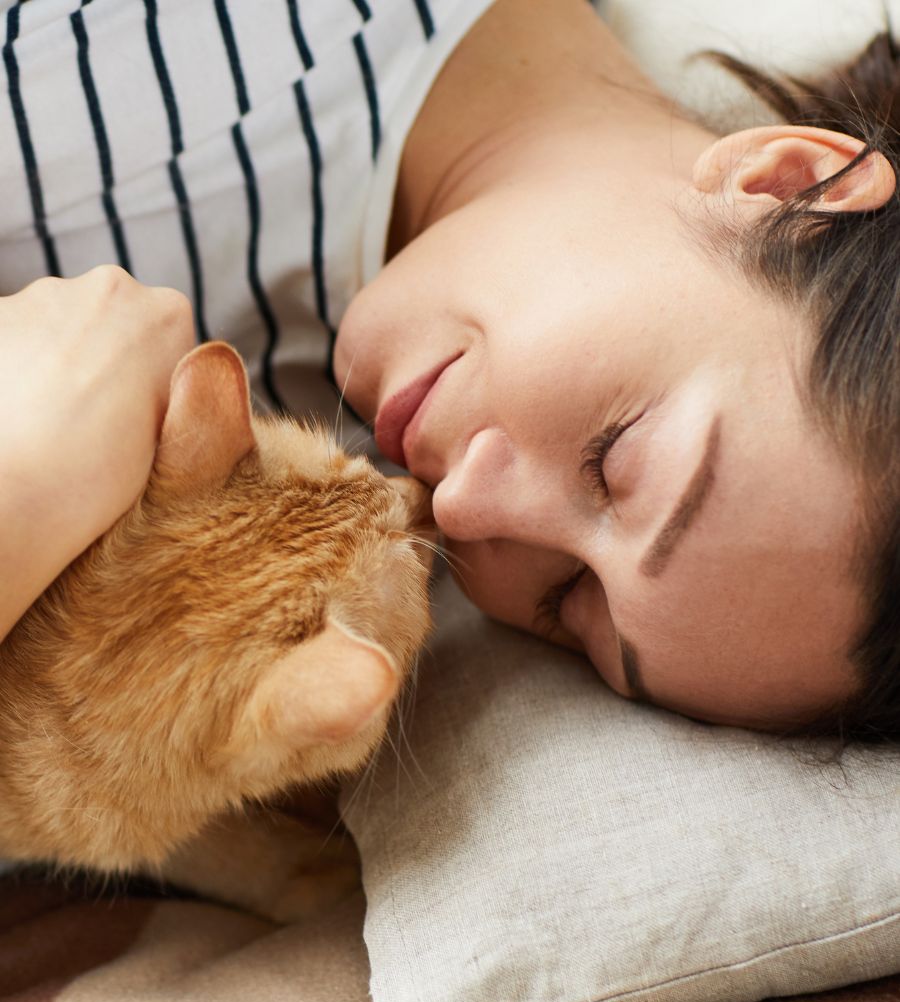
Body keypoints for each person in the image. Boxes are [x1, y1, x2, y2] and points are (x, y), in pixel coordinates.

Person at [1, 0, 897, 737]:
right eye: (614, 457)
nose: (459, 512)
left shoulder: (282, 514)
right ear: (783, 184)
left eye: (566, 600)